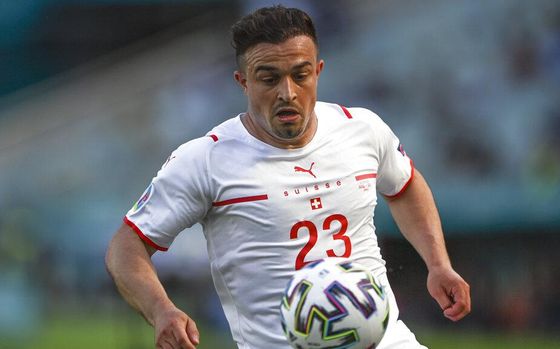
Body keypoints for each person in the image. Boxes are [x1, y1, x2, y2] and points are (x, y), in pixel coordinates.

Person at [105, 5, 471, 349]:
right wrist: (161, 310)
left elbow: (405, 185)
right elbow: (126, 247)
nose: (288, 93)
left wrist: (438, 263)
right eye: (269, 78)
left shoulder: (361, 128)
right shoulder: (205, 159)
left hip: (385, 339)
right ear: (243, 81)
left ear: (319, 71)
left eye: (301, 75)